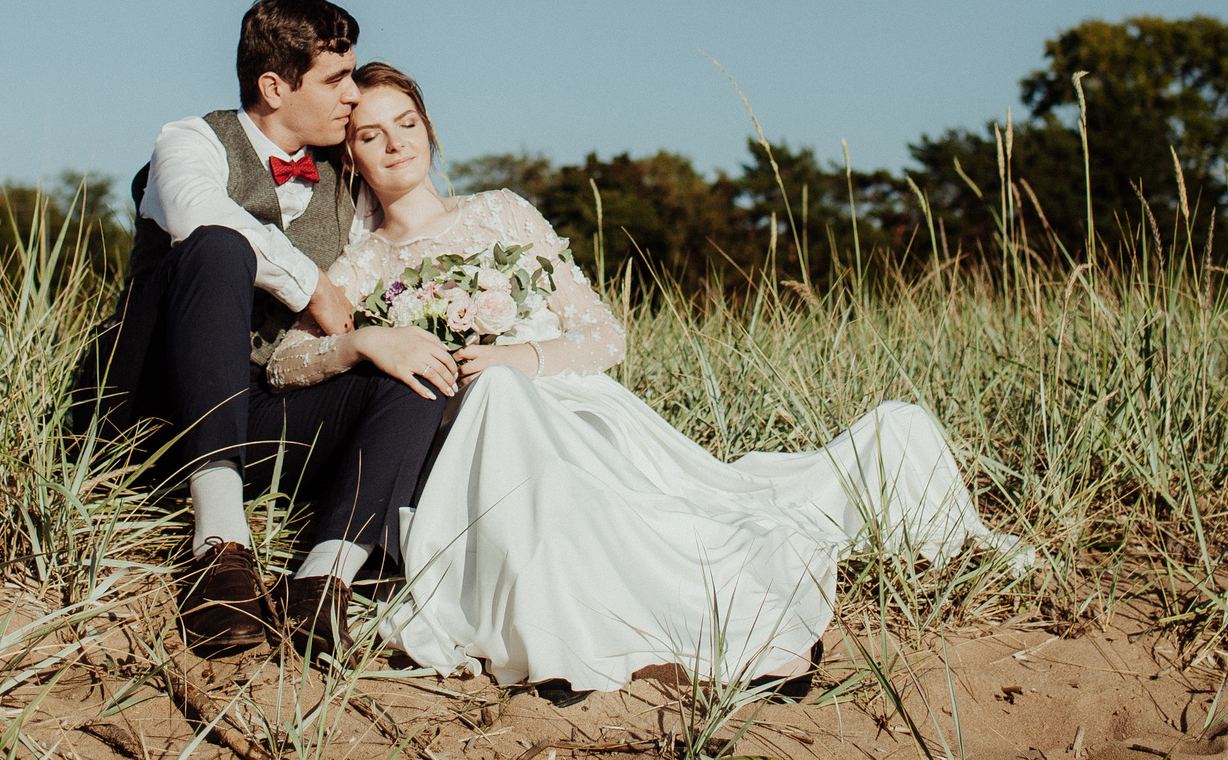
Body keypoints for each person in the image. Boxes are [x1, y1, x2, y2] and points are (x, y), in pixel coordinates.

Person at [265, 63, 1020, 692]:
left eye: (405, 121)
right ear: (353, 158)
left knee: (726, 492)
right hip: (475, 437)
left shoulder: (501, 212)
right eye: (370, 133)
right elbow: (287, 360)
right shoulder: (362, 264)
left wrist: (520, 357)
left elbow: (605, 335)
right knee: (493, 401)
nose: (394, 141)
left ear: (429, 127)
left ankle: (723, 617)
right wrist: (369, 340)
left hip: (574, 407)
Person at [83, 0, 451, 656]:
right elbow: (199, 212)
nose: (351, 95)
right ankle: (219, 548)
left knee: (410, 370)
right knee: (220, 246)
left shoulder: (346, 179)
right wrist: (309, 282)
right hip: (149, 408)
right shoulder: (190, 140)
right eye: (336, 79)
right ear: (274, 86)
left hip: (259, 409)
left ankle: (322, 581)